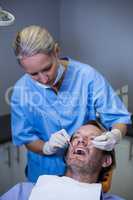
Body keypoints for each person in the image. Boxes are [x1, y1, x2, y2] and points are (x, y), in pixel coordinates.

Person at [11, 25, 131, 182]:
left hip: (85, 175)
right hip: (43, 174)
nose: (44, 79)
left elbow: (119, 119)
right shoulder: (21, 91)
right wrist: (46, 147)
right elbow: (26, 138)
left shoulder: (87, 77)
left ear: (56, 51)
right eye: (33, 74)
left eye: (47, 68)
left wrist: (115, 135)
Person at [0, 123, 124, 200]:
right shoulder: (22, 192)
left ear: (106, 160)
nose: (81, 140)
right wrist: (45, 146)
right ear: (66, 156)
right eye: (76, 137)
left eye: (92, 139)